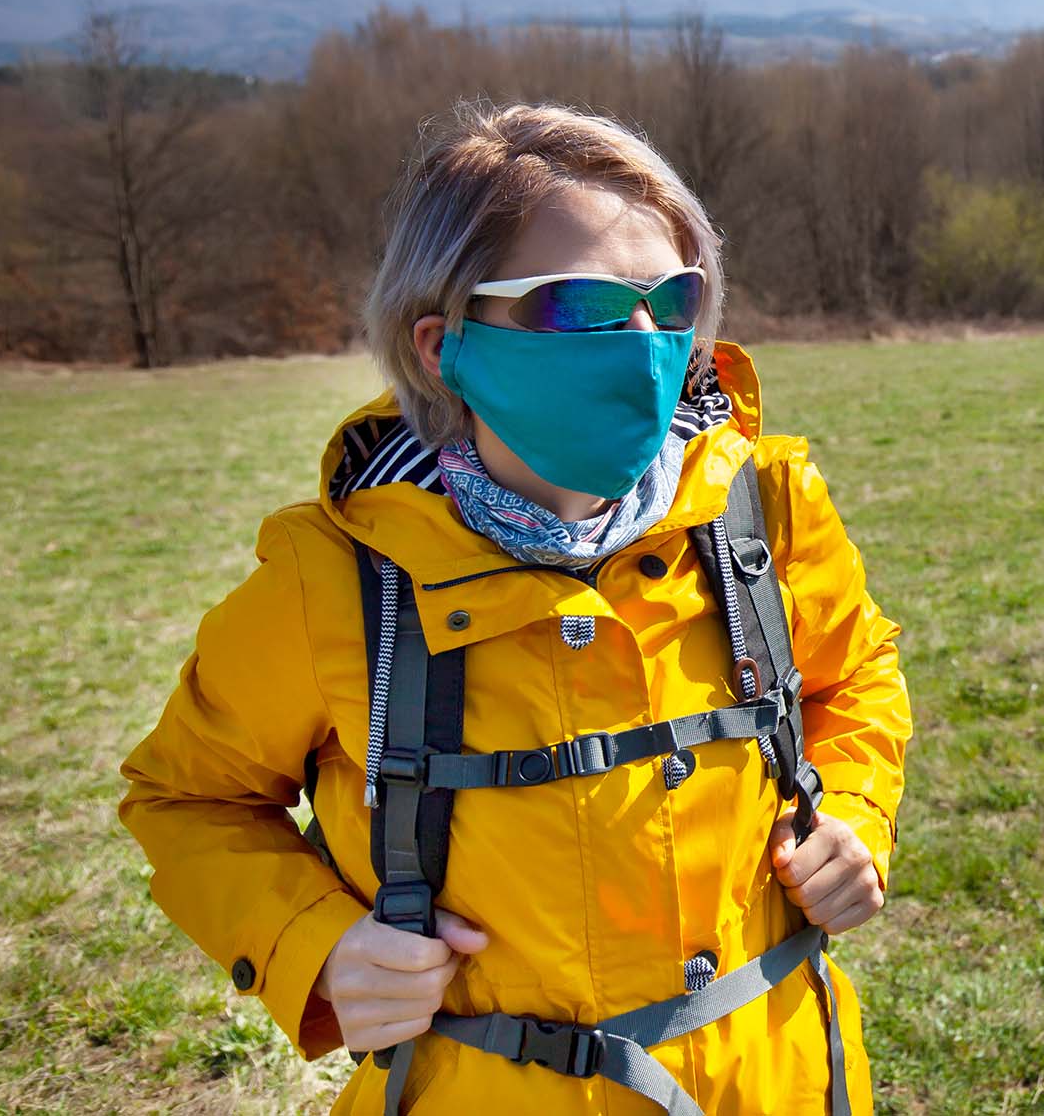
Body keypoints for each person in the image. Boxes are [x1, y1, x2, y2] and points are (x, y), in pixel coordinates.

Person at [118, 102, 910, 1114]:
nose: (640, 342)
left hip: (779, 1084)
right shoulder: (337, 582)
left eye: (671, 301)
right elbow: (185, 797)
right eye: (577, 307)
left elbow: (858, 678)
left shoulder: (764, 510)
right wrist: (310, 944)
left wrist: (851, 813)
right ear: (445, 342)